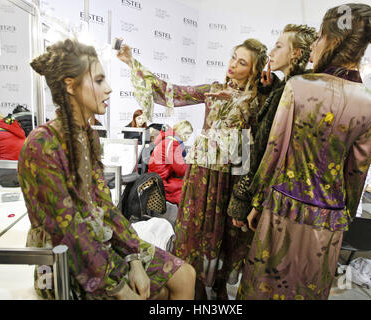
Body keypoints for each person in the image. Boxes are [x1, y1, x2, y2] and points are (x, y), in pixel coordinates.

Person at [19, 39, 195, 300]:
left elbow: (103, 204)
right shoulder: (41, 143)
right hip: (64, 262)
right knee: (156, 294)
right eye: (99, 80)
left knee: (186, 275)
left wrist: (134, 257)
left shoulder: (87, 135)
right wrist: (119, 288)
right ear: (71, 85)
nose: (109, 89)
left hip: (97, 240)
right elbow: (66, 232)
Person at [237, 3, 371, 300]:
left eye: (320, 36)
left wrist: (256, 201)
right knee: (308, 291)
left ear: (333, 40)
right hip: (329, 220)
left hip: (283, 207)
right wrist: (344, 216)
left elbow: (274, 152)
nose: (316, 45)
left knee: (263, 287)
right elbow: (356, 172)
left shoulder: (299, 86)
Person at [117, 38, 269, 299]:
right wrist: (133, 62)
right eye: (233, 56)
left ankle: (219, 289)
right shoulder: (213, 89)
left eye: (242, 62)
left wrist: (243, 195)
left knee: (228, 238)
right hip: (201, 175)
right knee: (194, 234)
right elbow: (172, 92)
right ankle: (193, 289)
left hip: (232, 176)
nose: (232, 64)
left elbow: (252, 146)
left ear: (254, 71)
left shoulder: (258, 100)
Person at [219, 24, 317, 300]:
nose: (272, 51)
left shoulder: (294, 91)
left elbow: (266, 149)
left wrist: (248, 200)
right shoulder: (287, 87)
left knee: (263, 274)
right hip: (272, 193)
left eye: (278, 46)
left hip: (273, 196)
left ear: (296, 52)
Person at [148, 120, 193, 205]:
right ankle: (183, 216)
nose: (187, 138)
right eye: (188, 135)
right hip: (161, 182)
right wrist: (191, 164)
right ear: (183, 132)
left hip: (156, 177)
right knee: (188, 187)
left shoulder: (168, 138)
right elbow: (181, 170)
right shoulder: (173, 144)